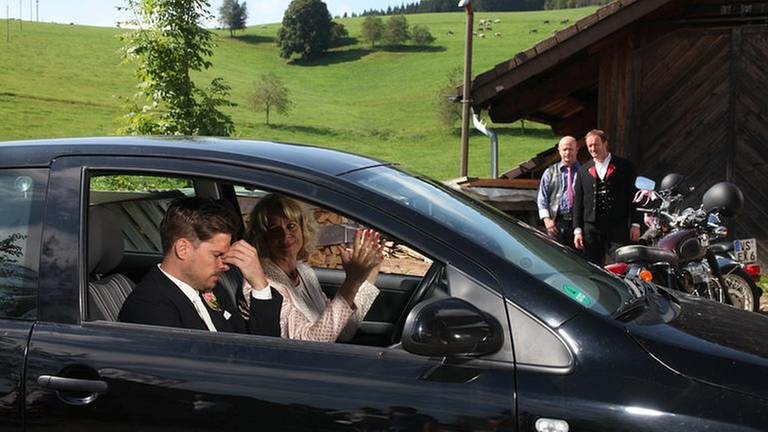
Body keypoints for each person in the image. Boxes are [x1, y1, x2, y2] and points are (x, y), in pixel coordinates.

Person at [118, 197, 281, 336]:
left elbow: (258, 347)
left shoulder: (212, 290)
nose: (225, 266)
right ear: (183, 249)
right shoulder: (149, 308)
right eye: (217, 255)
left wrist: (259, 284)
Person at [242, 194, 381, 342]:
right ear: (262, 236)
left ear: (303, 229)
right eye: (274, 229)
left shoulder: (304, 272)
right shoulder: (260, 284)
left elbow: (340, 331)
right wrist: (351, 282)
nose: (285, 235)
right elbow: (311, 343)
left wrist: (371, 268)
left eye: (291, 226)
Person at [573, 129, 641, 264]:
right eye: (590, 146)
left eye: (596, 144)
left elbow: (634, 196)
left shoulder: (624, 166)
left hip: (617, 226)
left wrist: (635, 223)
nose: (593, 148)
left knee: (623, 264)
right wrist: (577, 230)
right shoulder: (582, 171)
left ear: (605, 144)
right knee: (592, 267)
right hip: (591, 229)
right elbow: (578, 203)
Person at [537, 136, 580, 247]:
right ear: (559, 151)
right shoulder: (550, 172)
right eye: (564, 149)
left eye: (571, 149)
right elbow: (542, 198)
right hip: (556, 223)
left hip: (578, 224)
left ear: (577, 150)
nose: (567, 152)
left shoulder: (584, 171)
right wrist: (547, 220)